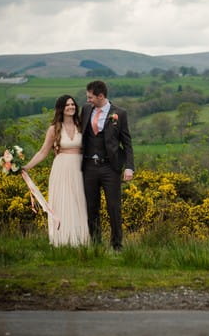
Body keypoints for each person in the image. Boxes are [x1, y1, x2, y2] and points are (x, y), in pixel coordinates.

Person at [23, 95, 89, 246]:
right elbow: (43, 152)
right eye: (67, 105)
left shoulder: (81, 126)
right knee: (63, 202)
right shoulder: (54, 129)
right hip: (61, 169)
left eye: (73, 104)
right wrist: (26, 166)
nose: (71, 107)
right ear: (61, 108)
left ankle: (81, 242)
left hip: (79, 169)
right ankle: (62, 241)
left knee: (80, 203)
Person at [81, 80, 134, 250]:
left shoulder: (120, 113)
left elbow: (127, 143)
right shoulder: (86, 110)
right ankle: (95, 244)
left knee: (113, 207)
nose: (88, 100)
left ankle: (117, 245)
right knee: (91, 207)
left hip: (110, 168)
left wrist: (129, 167)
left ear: (101, 96)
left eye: (90, 97)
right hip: (89, 166)